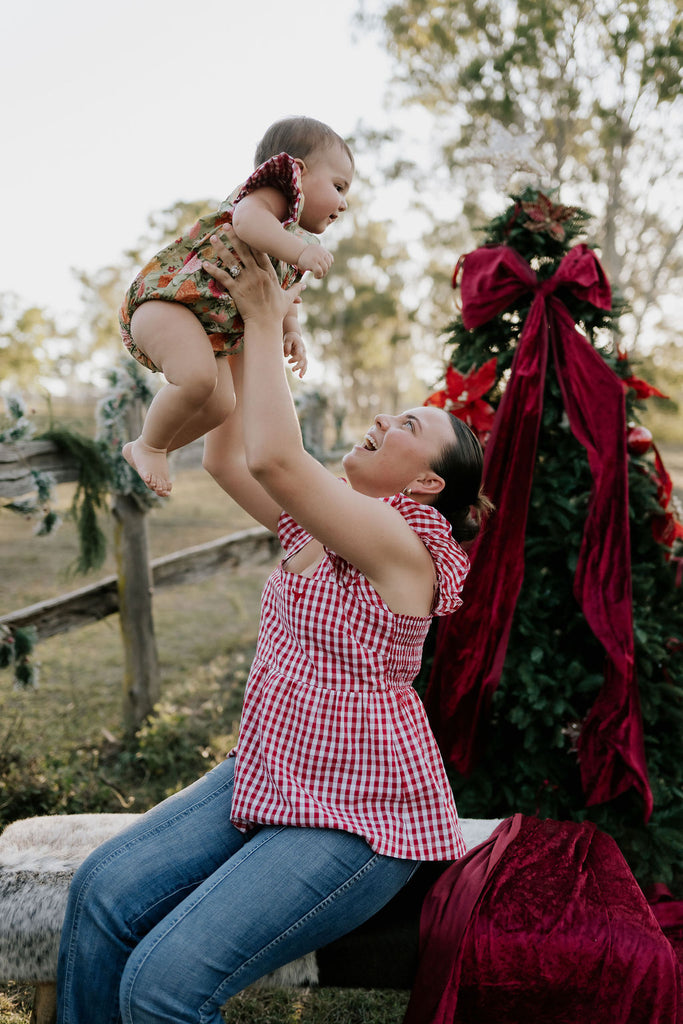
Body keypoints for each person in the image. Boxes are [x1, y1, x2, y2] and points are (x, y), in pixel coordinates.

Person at [57, 228, 492, 1024]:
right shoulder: (330, 521)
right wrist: (234, 332)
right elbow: (231, 458)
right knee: (101, 892)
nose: (381, 418)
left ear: (428, 482)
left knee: (161, 986)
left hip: (363, 817)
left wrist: (264, 319)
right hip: (274, 769)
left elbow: (275, 461)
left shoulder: (408, 547)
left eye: (406, 424)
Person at [119, 116, 354, 497]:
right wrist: (301, 250)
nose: (343, 203)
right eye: (339, 186)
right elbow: (247, 223)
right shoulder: (272, 196)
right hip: (166, 302)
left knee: (220, 404)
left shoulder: (291, 239)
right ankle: (150, 445)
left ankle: (148, 445)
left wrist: (291, 330)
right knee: (197, 380)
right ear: (299, 171)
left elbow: (286, 296)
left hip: (204, 329)